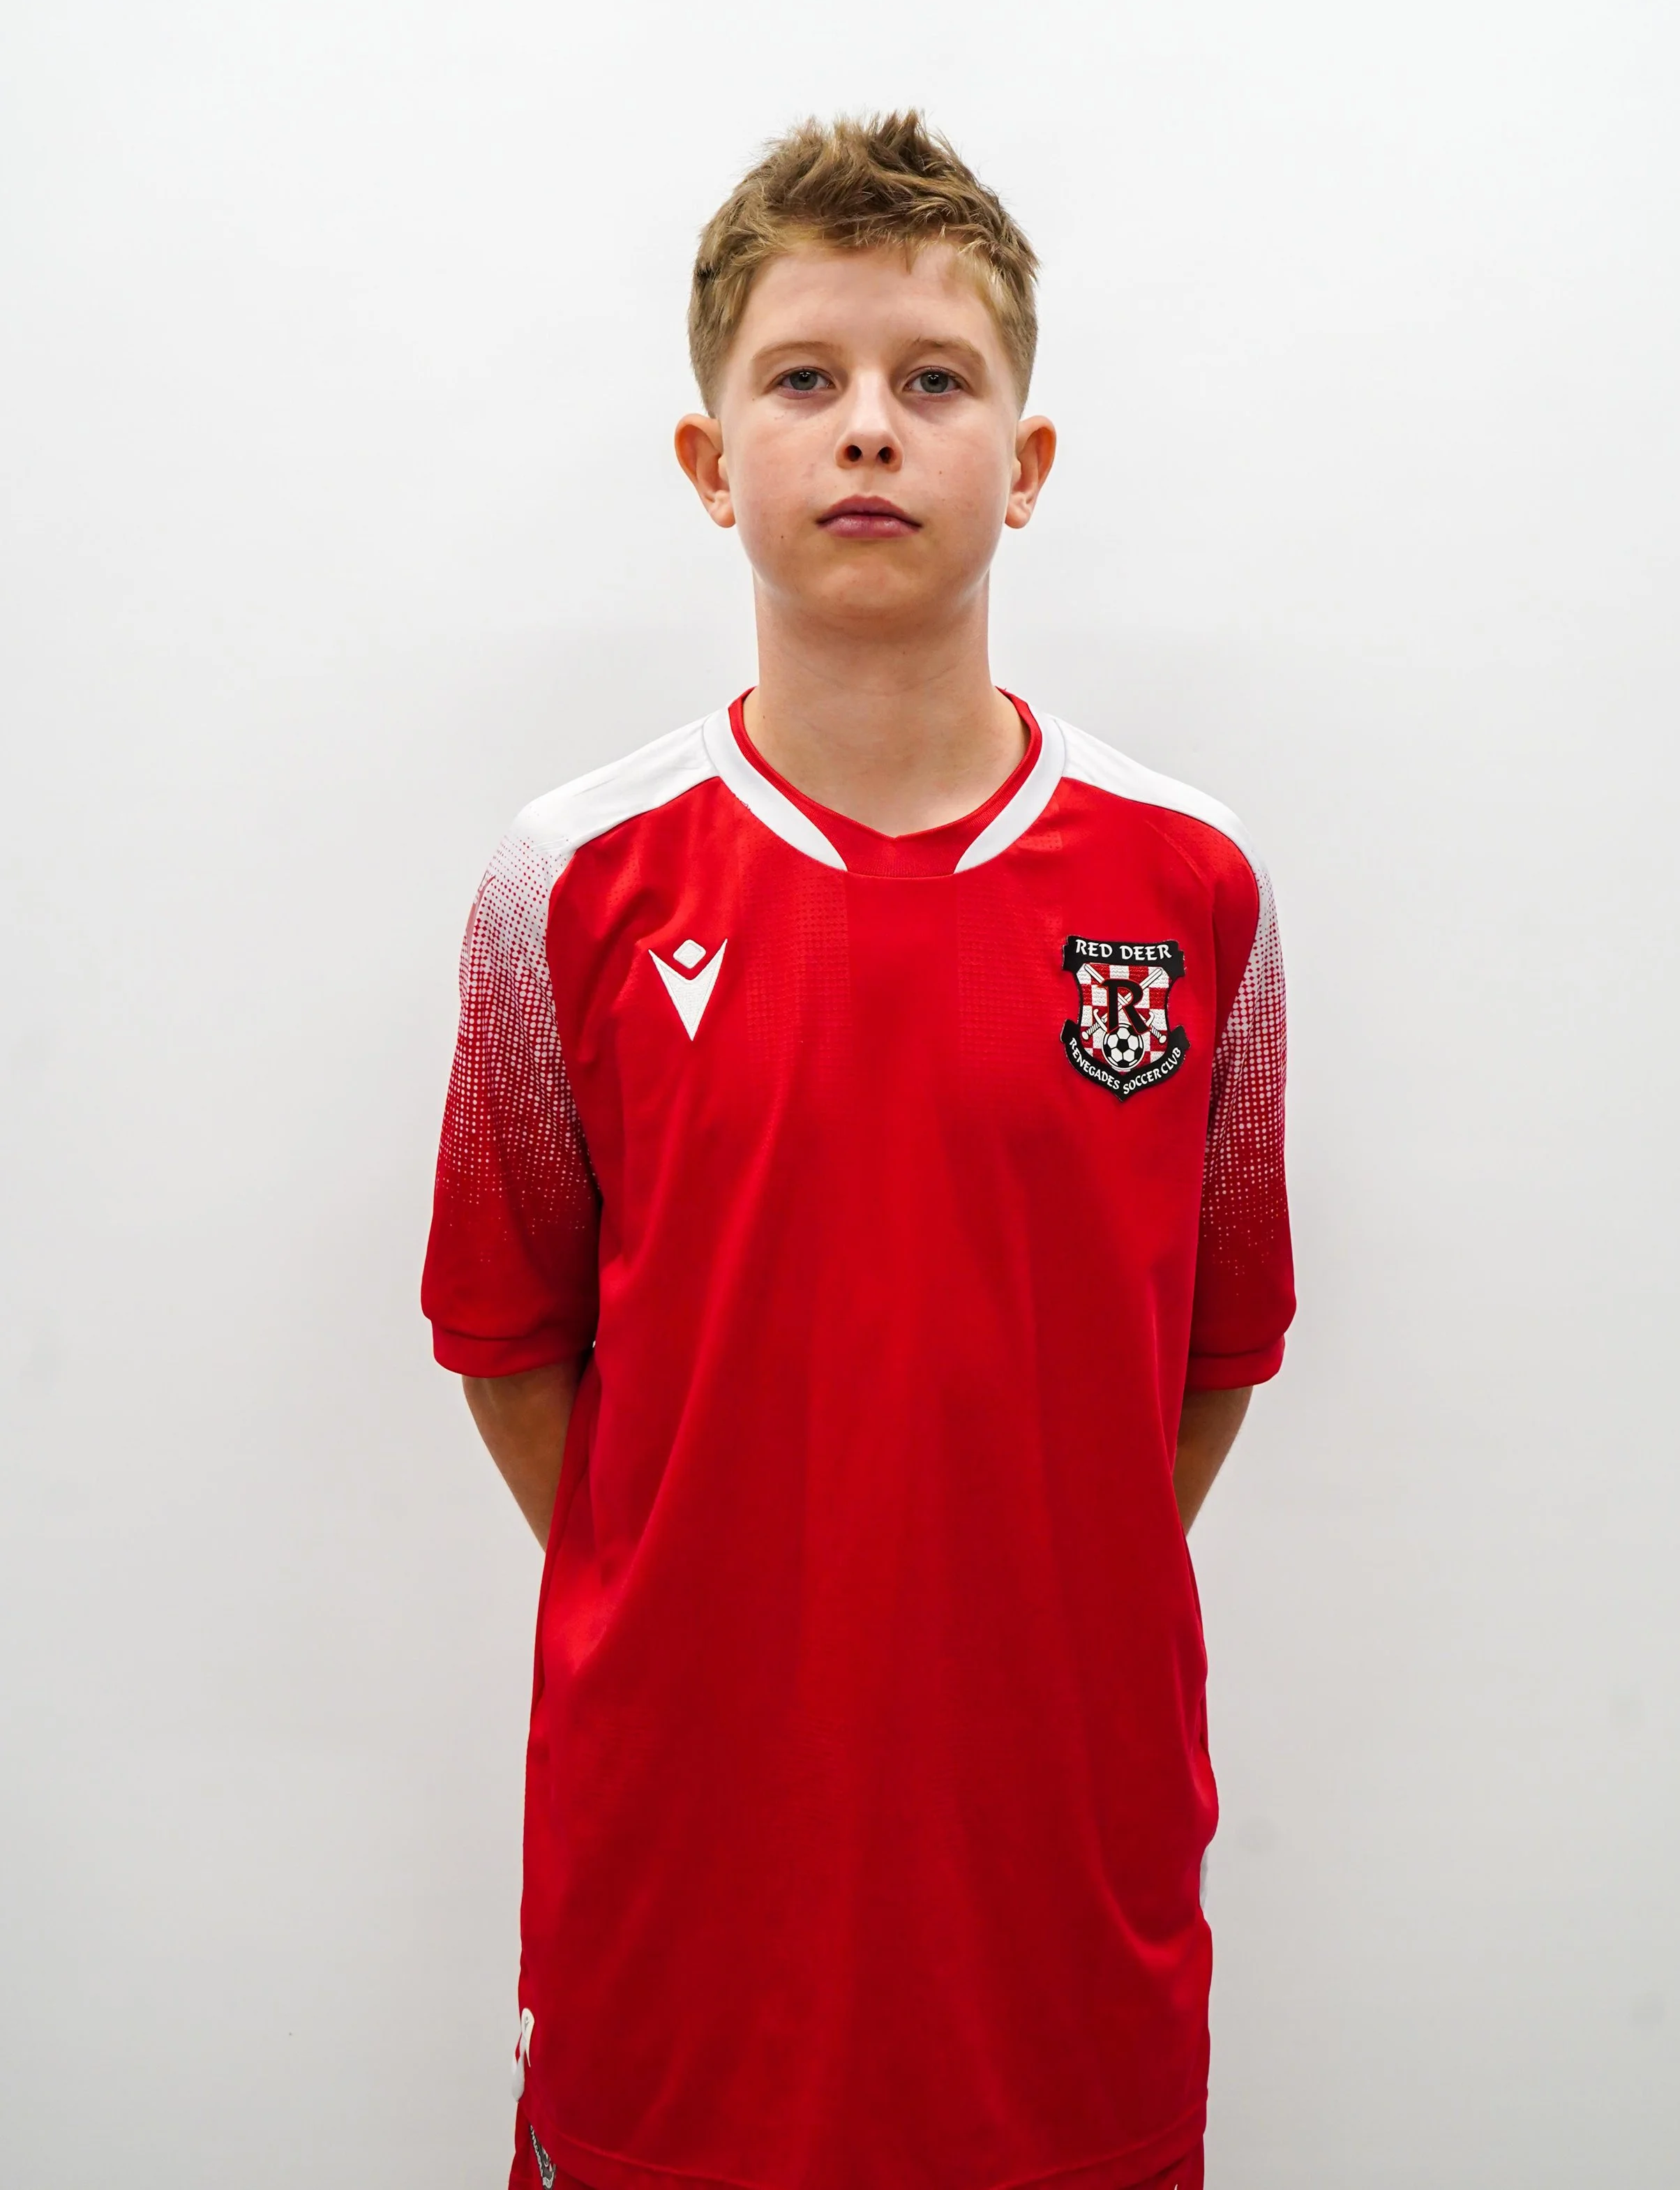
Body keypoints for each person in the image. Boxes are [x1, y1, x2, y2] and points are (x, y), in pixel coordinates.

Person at [421, 113, 1295, 2190]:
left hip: (1052, 1836)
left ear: (1028, 456)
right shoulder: (565, 885)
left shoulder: (1195, 890)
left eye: (932, 380)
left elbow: (1204, 1355)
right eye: (803, 381)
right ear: (711, 463)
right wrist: (723, 1583)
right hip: (691, 1835)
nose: (868, 433)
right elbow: (511, 1348)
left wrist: (1008, 1576)